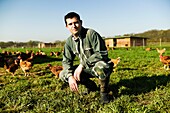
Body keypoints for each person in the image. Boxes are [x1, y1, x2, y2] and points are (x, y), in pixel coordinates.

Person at [59, 12, 113, 104]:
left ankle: (104, 92)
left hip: (97, 66)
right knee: (63, 74)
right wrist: (70, 76)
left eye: (76, 23)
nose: (74, 26)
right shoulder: (69, 42)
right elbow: (66, 61)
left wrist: (82, 65)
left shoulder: (91, 34)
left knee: (102, 66)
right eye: (70, 24)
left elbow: (102, 53)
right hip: (85, 69)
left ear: (81, 22)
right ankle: (90, 86)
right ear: (67, 27)